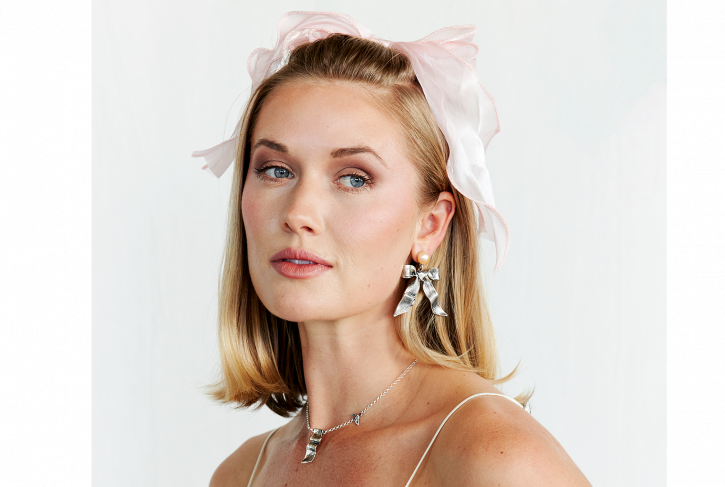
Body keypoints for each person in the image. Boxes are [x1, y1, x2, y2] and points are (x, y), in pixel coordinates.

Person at [194, 12, 591, 486]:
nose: (298, 212)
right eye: (276, 170)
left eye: (354, 178)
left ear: (430, 225)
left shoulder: (494, 456)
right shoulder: (240, 474)